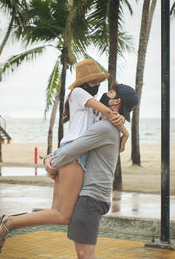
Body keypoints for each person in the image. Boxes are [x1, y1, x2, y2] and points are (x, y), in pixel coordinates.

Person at [0, 59, 126, 256]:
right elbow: (108, 113)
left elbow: (107, 118)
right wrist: (126, 134)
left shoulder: (94, 106)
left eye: (99, 81)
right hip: (73, 154)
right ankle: (10, 223)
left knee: (57, 213)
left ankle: (9, 222)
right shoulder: (78, 93)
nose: (97, 85)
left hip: (69, 152)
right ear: (83, 82)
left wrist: (121, 121)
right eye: (93, 82)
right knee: (63, 215)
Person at [45, 83, 138, 259]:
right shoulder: (108, 127)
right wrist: (125, 133)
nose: (105, 93)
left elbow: (71, 150)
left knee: (84, 254)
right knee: (84, 254)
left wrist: (51, 164)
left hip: (91, 197)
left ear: (116, 101)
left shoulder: (104, 128)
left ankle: (8, 224)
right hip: (95, 197)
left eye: (110, 92)